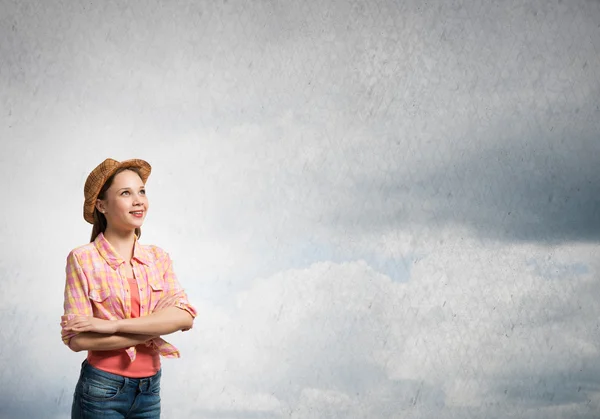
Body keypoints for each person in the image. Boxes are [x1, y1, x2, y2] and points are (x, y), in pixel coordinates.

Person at [60, 158, 197, 419]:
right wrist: (153, 329)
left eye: (142, 191)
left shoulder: (158, 258)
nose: (138, 200)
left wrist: (111, 326)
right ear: (101, 205)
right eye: (126, 193)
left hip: (150, 390)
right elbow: (76, 339)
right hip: (102, 389)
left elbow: (185, 316)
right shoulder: (82, 259)